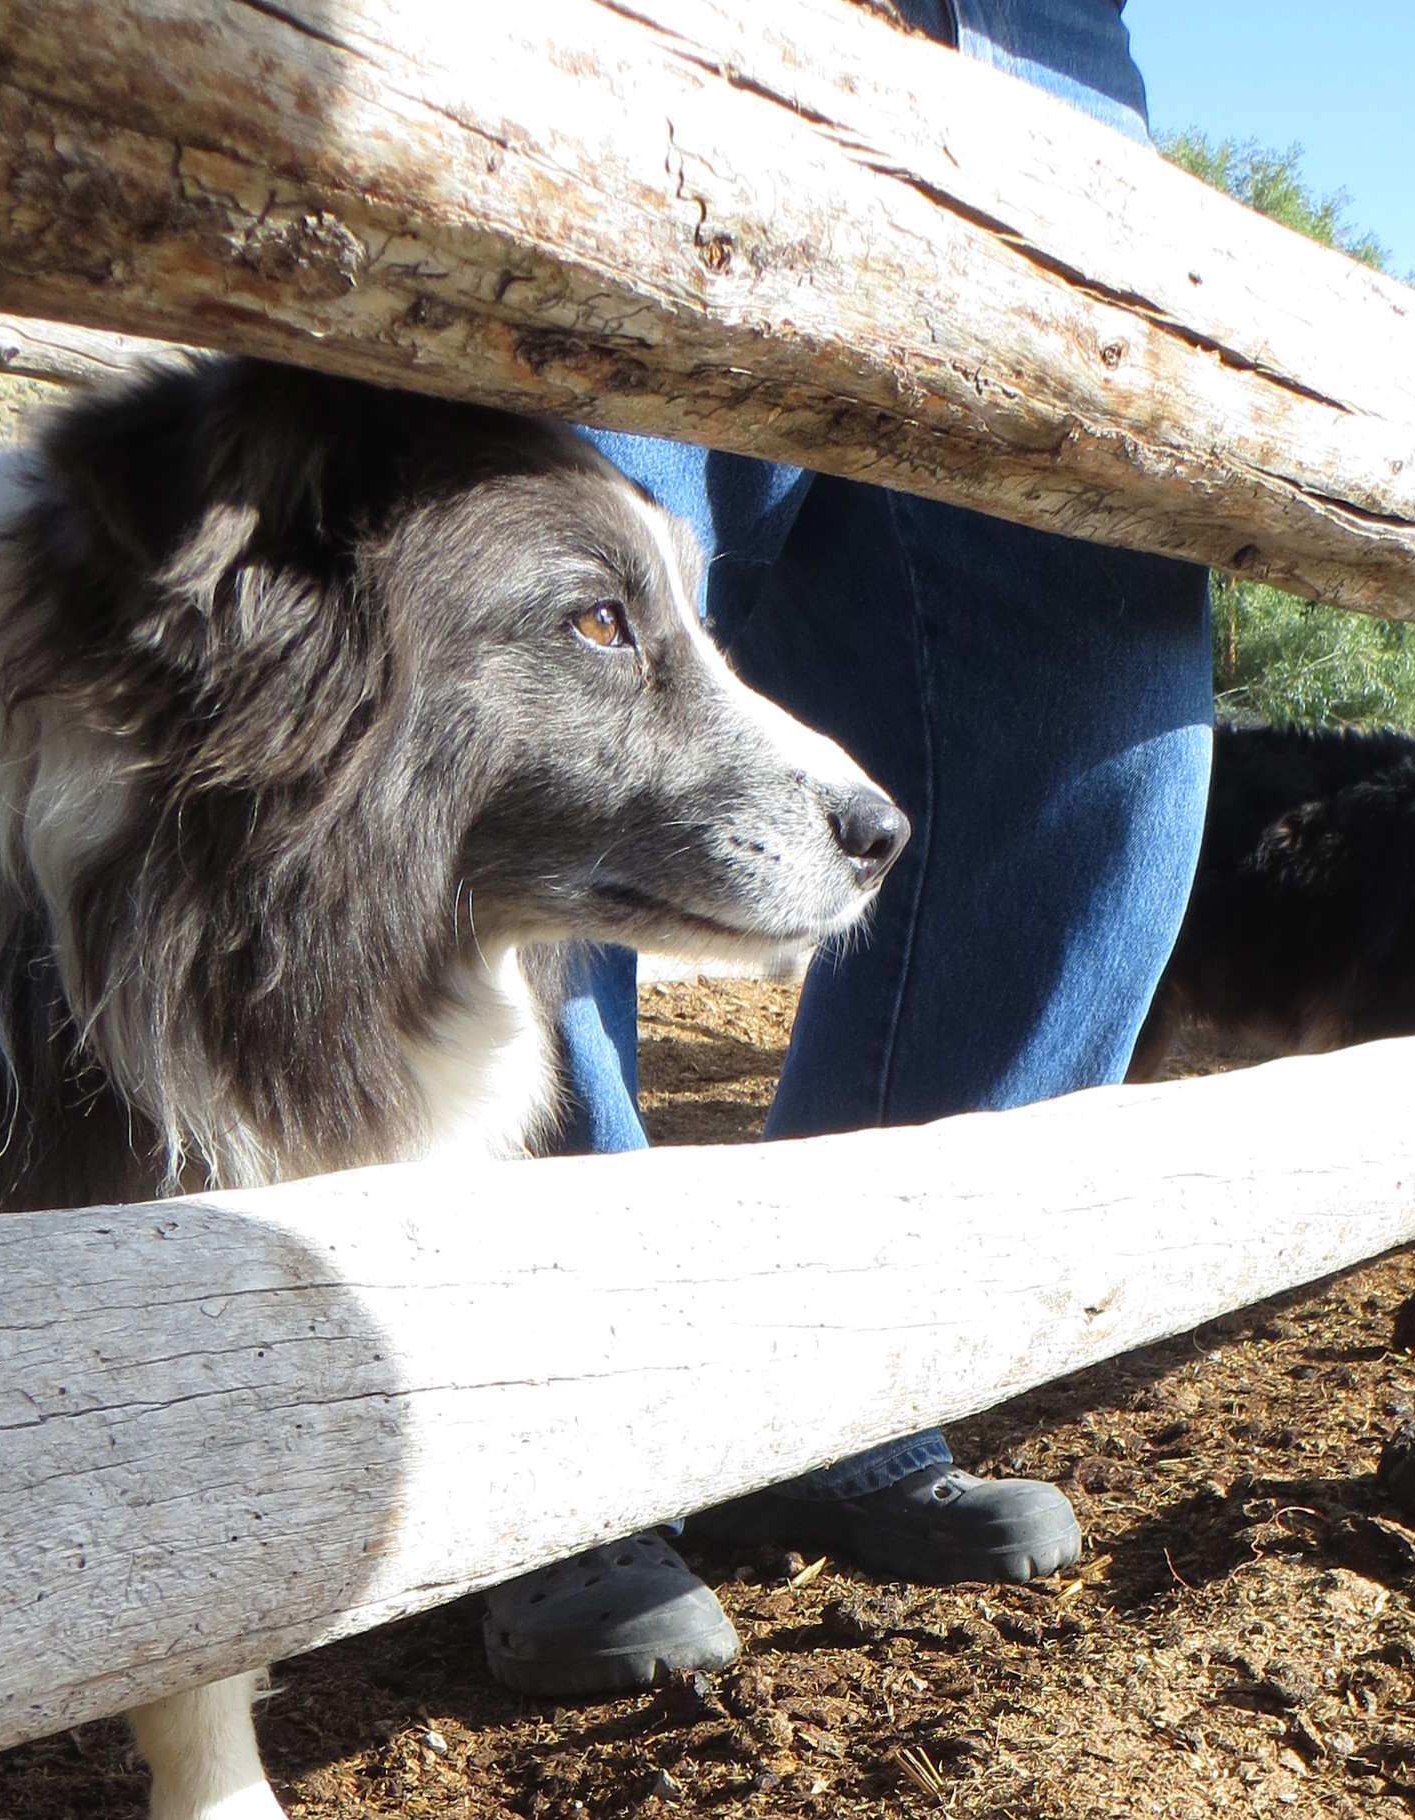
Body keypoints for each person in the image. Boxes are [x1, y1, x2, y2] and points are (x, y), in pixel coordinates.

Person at [482, 0, 1213, 1698]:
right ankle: (552, 1427)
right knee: (552, 652)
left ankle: (846, 1381)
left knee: (1093, 757)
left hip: (1035, 73)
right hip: (635, 38)